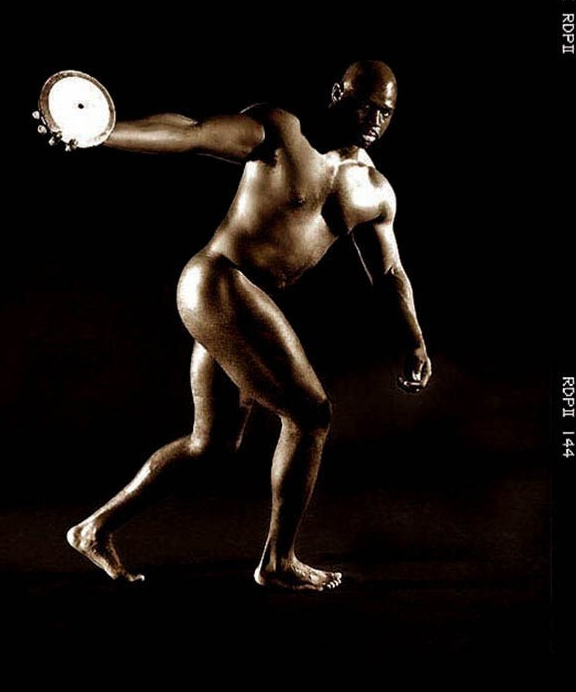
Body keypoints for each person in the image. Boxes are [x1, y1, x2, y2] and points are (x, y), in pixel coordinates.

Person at [51, 60, 431, 591]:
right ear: (337, 94)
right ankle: (278, 561)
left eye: (386, 111)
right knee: (310, 413)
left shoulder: (374, 191)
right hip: (218, 281)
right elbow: (191, 134)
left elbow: (389, 272)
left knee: (211, 444)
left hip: (239, 301)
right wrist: (104, 132)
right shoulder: (280, 131)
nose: (374, 117)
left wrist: (413, 340)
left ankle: (93, 528)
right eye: (365, 102)